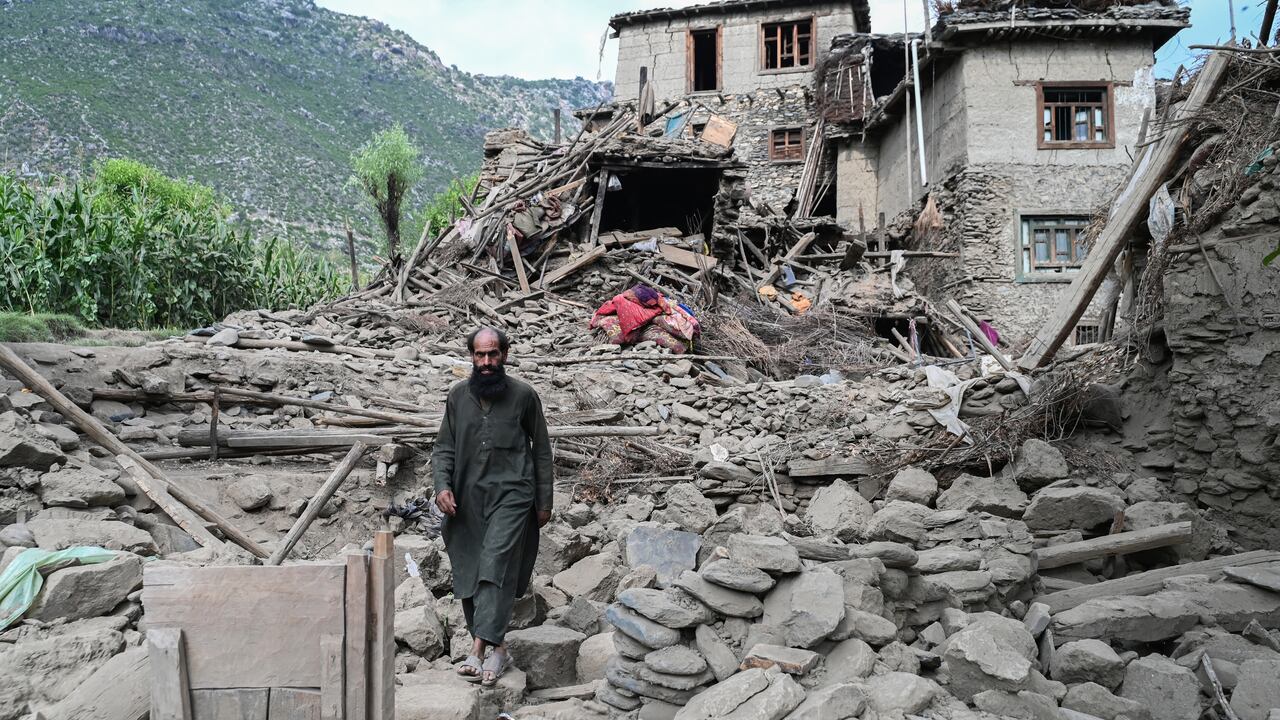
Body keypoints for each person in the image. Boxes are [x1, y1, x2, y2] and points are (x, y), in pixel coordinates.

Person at [432, 327, 553, 685]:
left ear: (505, 355)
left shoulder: (524, 396)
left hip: (513, 494)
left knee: (496, 563)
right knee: (470, 568)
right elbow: (444, 449)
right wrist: (442, 487)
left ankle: (478, 647)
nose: (486, 363)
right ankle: (498, 648)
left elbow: (542, 450)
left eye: (493, 355)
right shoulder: (457, 397)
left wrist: (544, 500)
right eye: (480, 356)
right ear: (471, 357)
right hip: (468, 499)